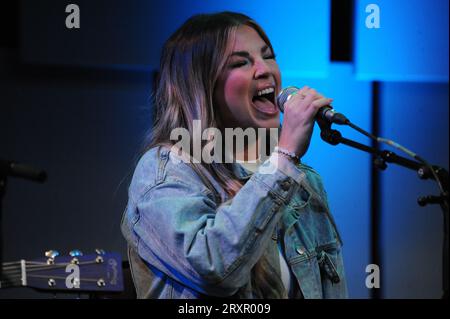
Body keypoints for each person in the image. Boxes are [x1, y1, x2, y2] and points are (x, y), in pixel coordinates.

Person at [121, 11, 348, 299]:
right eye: (241, 62)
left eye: (268, 56)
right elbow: (214, 269)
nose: (265, 70)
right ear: (203, 86)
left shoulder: (305, 182)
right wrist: (285, 157)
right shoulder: (168, 169)